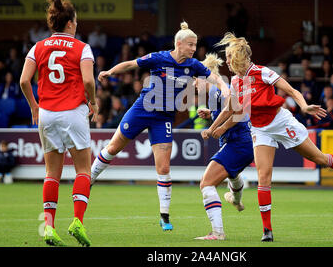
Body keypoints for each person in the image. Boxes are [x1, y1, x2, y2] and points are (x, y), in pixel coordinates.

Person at [202, 32, 333, 242]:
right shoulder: (237, 81)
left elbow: (292, 91)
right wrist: (213, 127)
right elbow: (231, 108)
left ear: (238, 57)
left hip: (282, 123)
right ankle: (267, 231)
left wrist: (304, 106)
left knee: (320, 159)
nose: (226, 61)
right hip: (260, 129)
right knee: (264, 178)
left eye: (229, 57)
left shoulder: (262, 72)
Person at [89, 21, 230, 231]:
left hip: (163, 118)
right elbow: (130, 64)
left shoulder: (193, 65)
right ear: (179, 44)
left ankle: (164, 215)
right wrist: (110, 71)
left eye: (195, 45)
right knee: (113, 148)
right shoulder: (159, 57)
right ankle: (87, 180)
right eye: (191, 45)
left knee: (163, 168)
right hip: (141, 110)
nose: (194, 49)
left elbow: (216, 78)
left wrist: (225, 89)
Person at [19, 0, 98, 247]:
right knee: (83, 170)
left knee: (51, 173)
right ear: (71, 23)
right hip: (73, 112)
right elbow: (88, 81)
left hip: (47, 114)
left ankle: (49, 228)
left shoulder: (37, 47)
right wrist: (93, 102)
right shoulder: (82, 48)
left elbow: (23, 80)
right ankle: (77, 221)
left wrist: (34, 106)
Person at [193, 53, 254, 240]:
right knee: (232, 174)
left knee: (206, 183)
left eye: (195, 80)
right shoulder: (215, 94)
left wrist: (214, 128)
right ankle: (236, 200)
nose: (194, 84)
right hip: (240, 143)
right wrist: (211, 113)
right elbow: (227, 110)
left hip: (239, 142)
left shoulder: (217, 90)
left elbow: (239, 112)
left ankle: (218, 233)